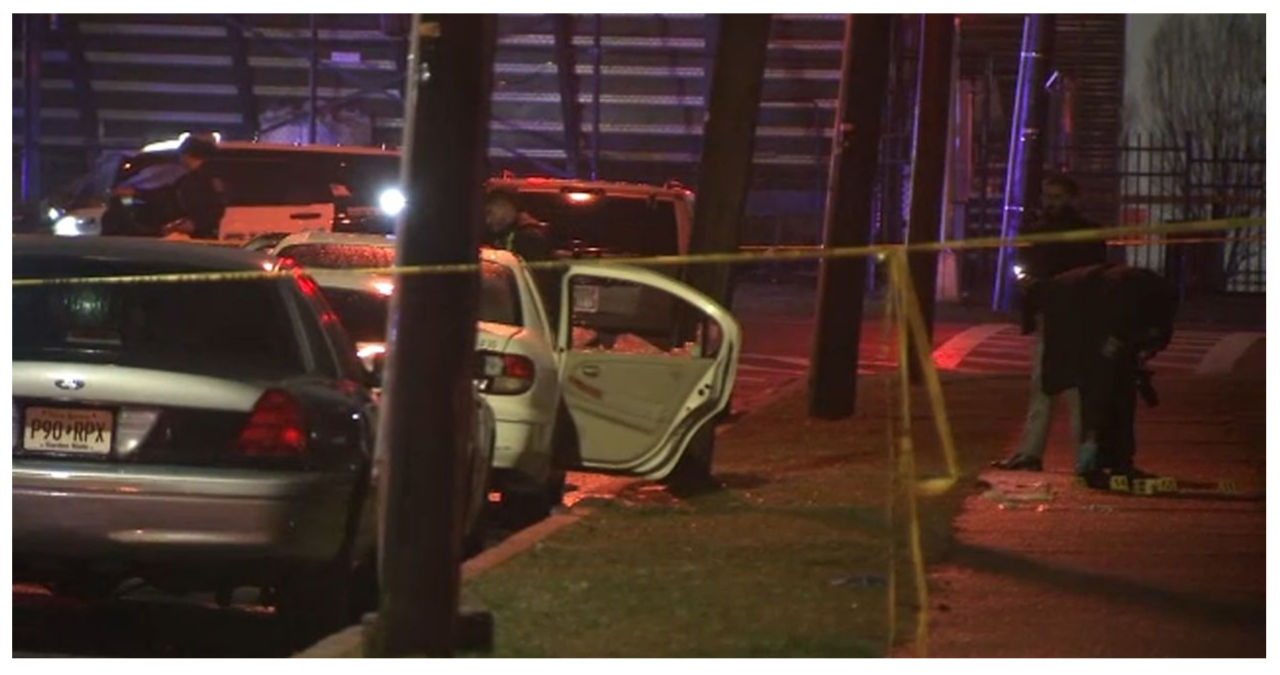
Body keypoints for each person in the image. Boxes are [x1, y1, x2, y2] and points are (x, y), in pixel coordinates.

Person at [993, 173, 1109, 472]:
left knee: (1072, 387)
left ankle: (1085, 456)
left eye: (1057, 197)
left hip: (1073, 317)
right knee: (1042, 384)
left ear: (1072, 198)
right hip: (1051, 315)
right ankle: (1034, 453)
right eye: (1048, 197)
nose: (1051, 203)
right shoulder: (1037, 231)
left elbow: (1092, 275)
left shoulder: (1083, 233)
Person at [1037, 263, 1177, 485]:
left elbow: (1132, 344)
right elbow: (1109, 350)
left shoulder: (1148, 299)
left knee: (1117, 394)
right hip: (1081, 316)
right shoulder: (1123, 303)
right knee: (1097, 396)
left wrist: (1133, 359)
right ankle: (1091, 463)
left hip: (1099, 314)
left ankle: (1114, 461)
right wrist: (1120, 355)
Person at [111, 134, 225, 239]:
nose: (180, 159)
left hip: (203, 235)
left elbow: (216, 207)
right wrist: (136, 193)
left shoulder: (207, 177)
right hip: (196, 232)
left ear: (188, 155)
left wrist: (196, 223)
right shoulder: (190, 177)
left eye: (182, 154)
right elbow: (168, 194)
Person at [482, 189, 554, 262]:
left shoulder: (529, 237)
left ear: (504, 206)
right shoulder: (502, 235)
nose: (488, 221)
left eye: (489, 213)